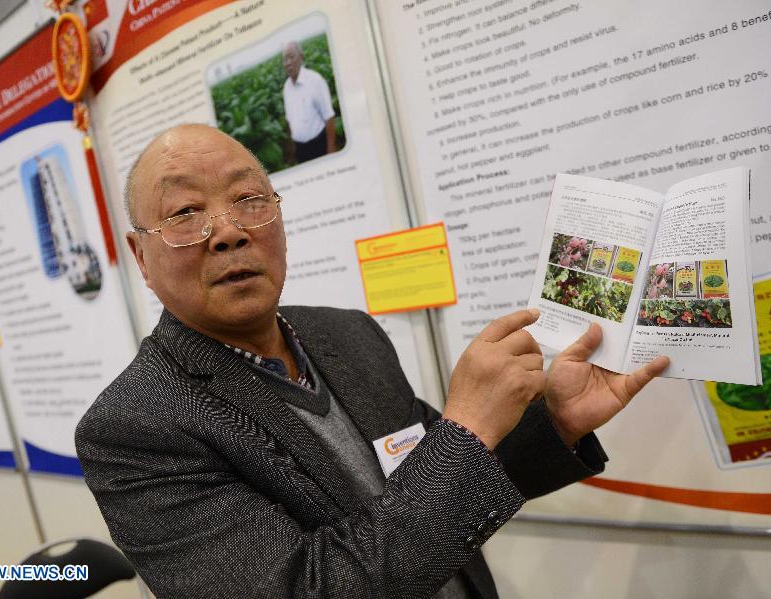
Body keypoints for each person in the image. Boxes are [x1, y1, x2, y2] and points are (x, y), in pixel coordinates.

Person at [75, 124, 668, 598]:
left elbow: (454, 478)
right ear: (140, 256)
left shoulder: (347, 333)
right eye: (184, 213)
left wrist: (555, 423)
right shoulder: (135, 427)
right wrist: (466, 428)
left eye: (249, 198)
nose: (228, 230)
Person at [282, 41, 337, 163]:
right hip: (301, 149)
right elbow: (290, 119)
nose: (288, 62)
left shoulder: (315, 80)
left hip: (319, 144)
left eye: (291, 57)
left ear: (301, 57)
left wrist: (331, 148)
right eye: (285, 59)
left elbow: (329, 116)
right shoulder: (286, 87)